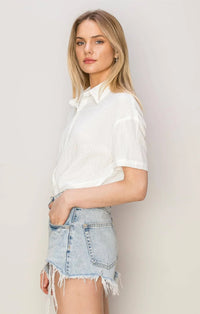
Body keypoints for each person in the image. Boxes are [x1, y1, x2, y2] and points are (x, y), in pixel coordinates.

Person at [40, 9, 148, 314]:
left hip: (84, 228)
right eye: (80, 42)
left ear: (116, 49)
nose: (87, 50)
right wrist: (55, 251)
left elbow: (136, 186)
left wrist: (70, 199)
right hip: (71, 231)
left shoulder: (120, 103)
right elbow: (74, 174)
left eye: (98, 41)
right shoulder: (84, 105)